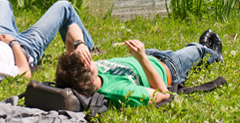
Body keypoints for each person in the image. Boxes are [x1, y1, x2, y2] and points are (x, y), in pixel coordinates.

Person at [54, 30, 223, 107]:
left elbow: (71, 28)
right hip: (169, 67)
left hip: (145, 55)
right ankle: (212, 53)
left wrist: (79, 45)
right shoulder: (119, 91)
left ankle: (203, 51)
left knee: (188, 50)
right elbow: (164, 94)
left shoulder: (81, 75)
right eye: (87, 61)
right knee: (197, 49)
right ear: (91, 79)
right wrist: (142, 59)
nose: (90, 57)